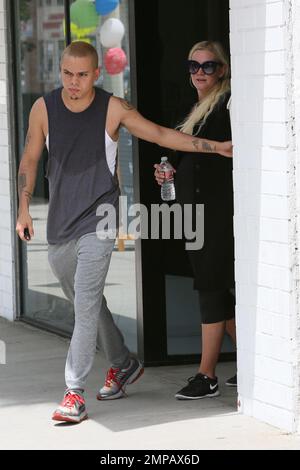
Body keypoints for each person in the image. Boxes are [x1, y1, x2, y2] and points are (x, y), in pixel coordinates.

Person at [16, 41, 232, 424]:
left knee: (84, 305)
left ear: (96, 74)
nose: (74, 82)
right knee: (87, 300)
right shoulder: (43, 108)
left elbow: (161, 135)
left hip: (99, 219)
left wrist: (216, 147)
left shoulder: (112, 107)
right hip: (60, 224)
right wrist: (23, 209)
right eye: (67, 73)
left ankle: (74, 392)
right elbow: (31, 157)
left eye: (82, 75)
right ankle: (123, 362)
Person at [154, 40, 237, 400]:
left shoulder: (229, 104)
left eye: (208, 66)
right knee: (215, 287)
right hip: (195, 213)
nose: (200, 73)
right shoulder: (193, 106)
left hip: (218, 211)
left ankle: (207, 375)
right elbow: (180, 153)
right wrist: (166, 170)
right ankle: (255, 360)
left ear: (223, 69)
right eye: (194, 66)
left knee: (211, 288)